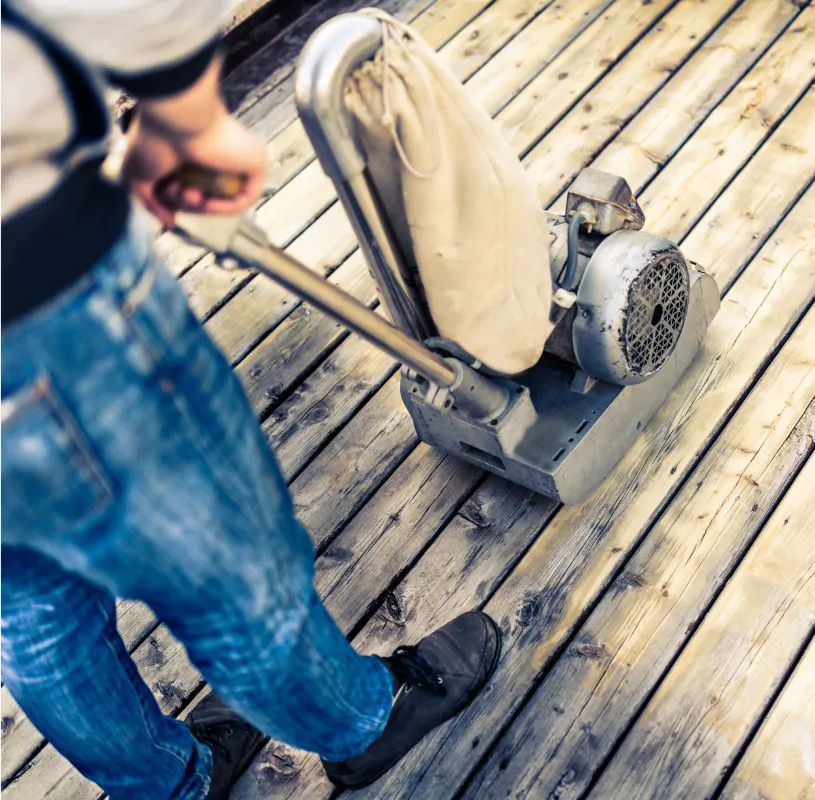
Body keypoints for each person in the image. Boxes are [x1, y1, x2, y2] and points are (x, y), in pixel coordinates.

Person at [0, 1, 502, 798]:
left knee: (31, 603)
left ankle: (166, 782)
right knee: (235, 568)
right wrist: (186, 119)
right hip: (41, 304)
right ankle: (364, 723)